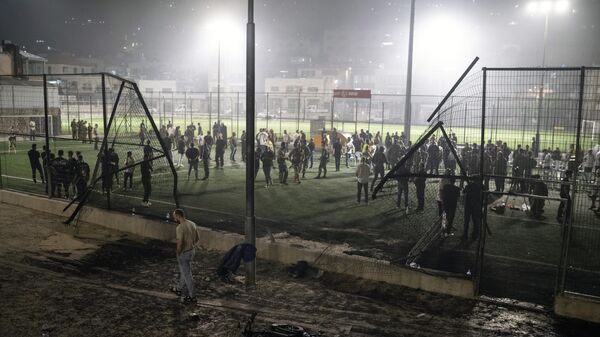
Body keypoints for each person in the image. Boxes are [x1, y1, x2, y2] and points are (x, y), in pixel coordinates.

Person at [170, 209, 199, 304]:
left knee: (187, 274)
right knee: (184, 271)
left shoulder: (180, 227)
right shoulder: (192, 224)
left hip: (184, 253)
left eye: (174, 216)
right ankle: (178, 289)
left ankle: (192, 296)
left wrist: (178, 252)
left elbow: (180, 242)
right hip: (191, 251)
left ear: (178, 216)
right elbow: (197, 238)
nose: (173, 217)